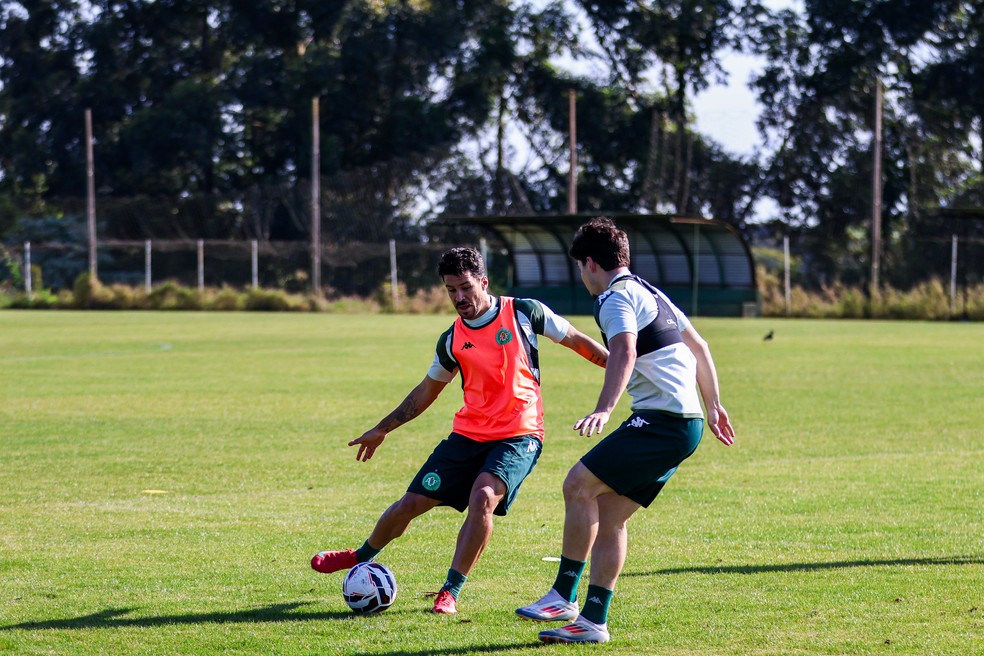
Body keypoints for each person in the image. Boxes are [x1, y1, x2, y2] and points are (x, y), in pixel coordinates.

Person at [312, 246, 608, 615]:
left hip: (519, 435)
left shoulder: (524, 312)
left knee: (483, 497)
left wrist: (620, 367)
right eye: (451, 290)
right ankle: (361, 555)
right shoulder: (451, 338)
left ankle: (450, 591)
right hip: (467, 436)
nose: (459, 297)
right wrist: (382, 429)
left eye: (466, 287)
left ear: (484, 281)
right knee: (411, 504)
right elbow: (426, 391)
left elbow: (576, 340)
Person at [516, 217, 735, 644]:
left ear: (590, 263)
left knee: (578, 485)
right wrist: (712, 406)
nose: (582, 276)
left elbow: (625, 349)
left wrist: (604, 408)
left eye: (580, 267)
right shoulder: (651, 291)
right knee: (610, 514)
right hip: (685, 423)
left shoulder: (615, 298)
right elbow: (700, 346)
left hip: (662, 421)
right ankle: (592, 622)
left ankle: (562, 596)